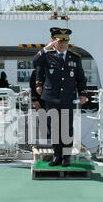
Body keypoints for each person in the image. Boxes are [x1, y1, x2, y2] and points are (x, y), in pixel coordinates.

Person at [33, 27, 88, 167]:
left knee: (67, 128)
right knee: (54, 128)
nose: (63, 44)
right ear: (53, 41)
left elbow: (80, 78)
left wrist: (82, 93)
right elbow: (35, 62)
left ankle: (66, 157)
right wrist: (46, 48)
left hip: (67, 98)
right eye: (59, 41)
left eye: (65, 41)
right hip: (51, 98)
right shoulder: (46, 55)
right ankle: (57, 155)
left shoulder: (75, 58)